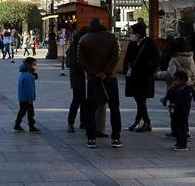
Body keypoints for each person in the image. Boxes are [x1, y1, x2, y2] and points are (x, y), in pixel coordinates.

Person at [77, 17, 122, 149]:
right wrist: (106, 72)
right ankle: (116, 137)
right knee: (114, 107)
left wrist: (94, 72)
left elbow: (81, 60)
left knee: (91, 108)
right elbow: (116, 56)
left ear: (90, 25)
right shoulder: (112, 37)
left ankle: (91, 138)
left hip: (93, 78)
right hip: (110, 77)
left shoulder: (84, 39)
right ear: (102, 25)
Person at [123, 22, 160, 133]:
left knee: (141, 99)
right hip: (133, 76)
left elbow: (156, 58)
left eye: (134, 33)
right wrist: (126, 70)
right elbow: (127, 58)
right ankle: (140, 121)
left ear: (140, 33)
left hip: (144, 76)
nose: (132, 35)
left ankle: (145, 122)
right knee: (139, 99)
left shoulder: (149, 43)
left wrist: (150, 71)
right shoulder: (132, 43)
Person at [66, 26, 90, 133]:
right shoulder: (76, 46)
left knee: (83, 101)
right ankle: (71, 122)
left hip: (80, 76)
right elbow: (71, 63)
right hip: (77, 76)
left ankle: (83, 122)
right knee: (77, 100)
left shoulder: (78, 44)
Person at [160, 38, 195, 106]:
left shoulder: (174, 59)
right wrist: (192, 81)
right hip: (187, 84)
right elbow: (194, 72)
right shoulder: (191, 58)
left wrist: (160, 75)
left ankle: (166, 100)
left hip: (176, 84)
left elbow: (171, 73)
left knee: (171, 90)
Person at [166, 70, 193, 151]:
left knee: (182, 127)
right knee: (177, 126)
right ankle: (178, 142)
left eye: (176, 80)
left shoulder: (186, 90)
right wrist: (171, 88)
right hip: (176, 111)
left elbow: (183, 101)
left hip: (183, 111)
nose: (174, 82)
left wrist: (175, 104)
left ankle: (183, 144)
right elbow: (170, 97)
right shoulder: (176, 88)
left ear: (183, 80)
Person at [14, 57, 41, 134]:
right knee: (30, 113)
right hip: (27, 98)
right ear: (29, 65)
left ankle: (17, 124)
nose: (35, 66)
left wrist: (32, 76)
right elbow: (29, 88)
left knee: (22, 111)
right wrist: (31, 98)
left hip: (22, 97)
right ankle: (31, 126)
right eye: (34, 65)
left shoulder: (24, 74)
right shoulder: (28, 76)